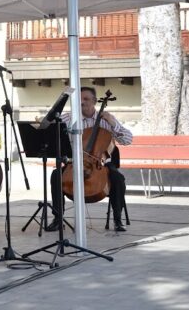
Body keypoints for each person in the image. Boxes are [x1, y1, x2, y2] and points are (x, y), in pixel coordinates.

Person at [46, 86, 133, 233]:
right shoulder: (68, 118)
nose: (82, 102)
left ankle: (118, 219)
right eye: (79, 99)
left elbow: (128, 139)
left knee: (117, 178)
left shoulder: (106, 119)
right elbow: (48, 129)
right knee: (56, 176)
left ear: (94, 101)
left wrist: (113, 123)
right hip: (74, 162)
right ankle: (57, 219)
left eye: (86, 99)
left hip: (100, 164)